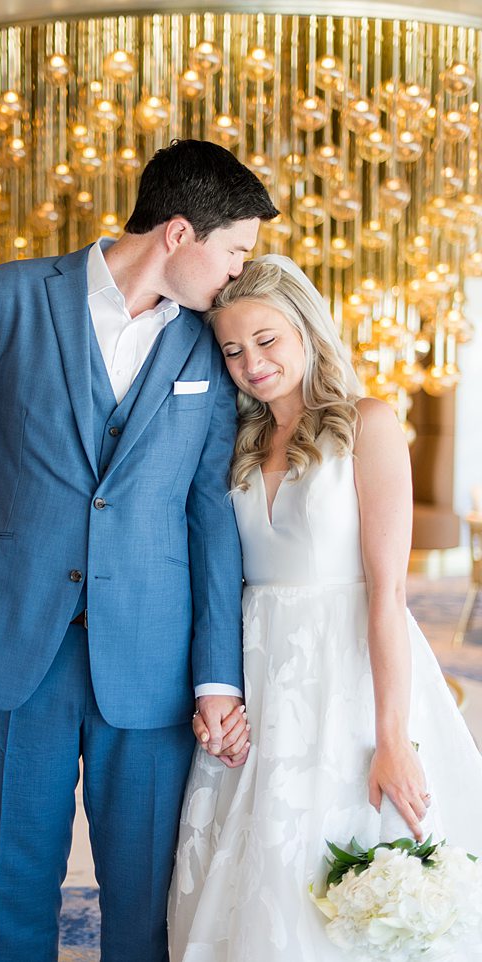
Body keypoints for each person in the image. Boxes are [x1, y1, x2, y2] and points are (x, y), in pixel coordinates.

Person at [0, 139, 278, 962]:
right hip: (9, 638)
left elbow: (209, 514)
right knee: (15, 889)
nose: (238, 275)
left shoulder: (209, 346)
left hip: (150, 654)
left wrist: (217, 672)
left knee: (144, 903)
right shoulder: (3, 298)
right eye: (236, 252)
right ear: (179, 234)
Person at [168, 254, 482, 961]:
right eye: (234, 349)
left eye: (267, 340)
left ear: (306, 329)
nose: (252, 363)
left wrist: (393, 737)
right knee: (250, 859)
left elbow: (388, 593)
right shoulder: (239, 443)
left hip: (347, 667)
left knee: (340, 848)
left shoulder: (366, 424)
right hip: (260, 666)